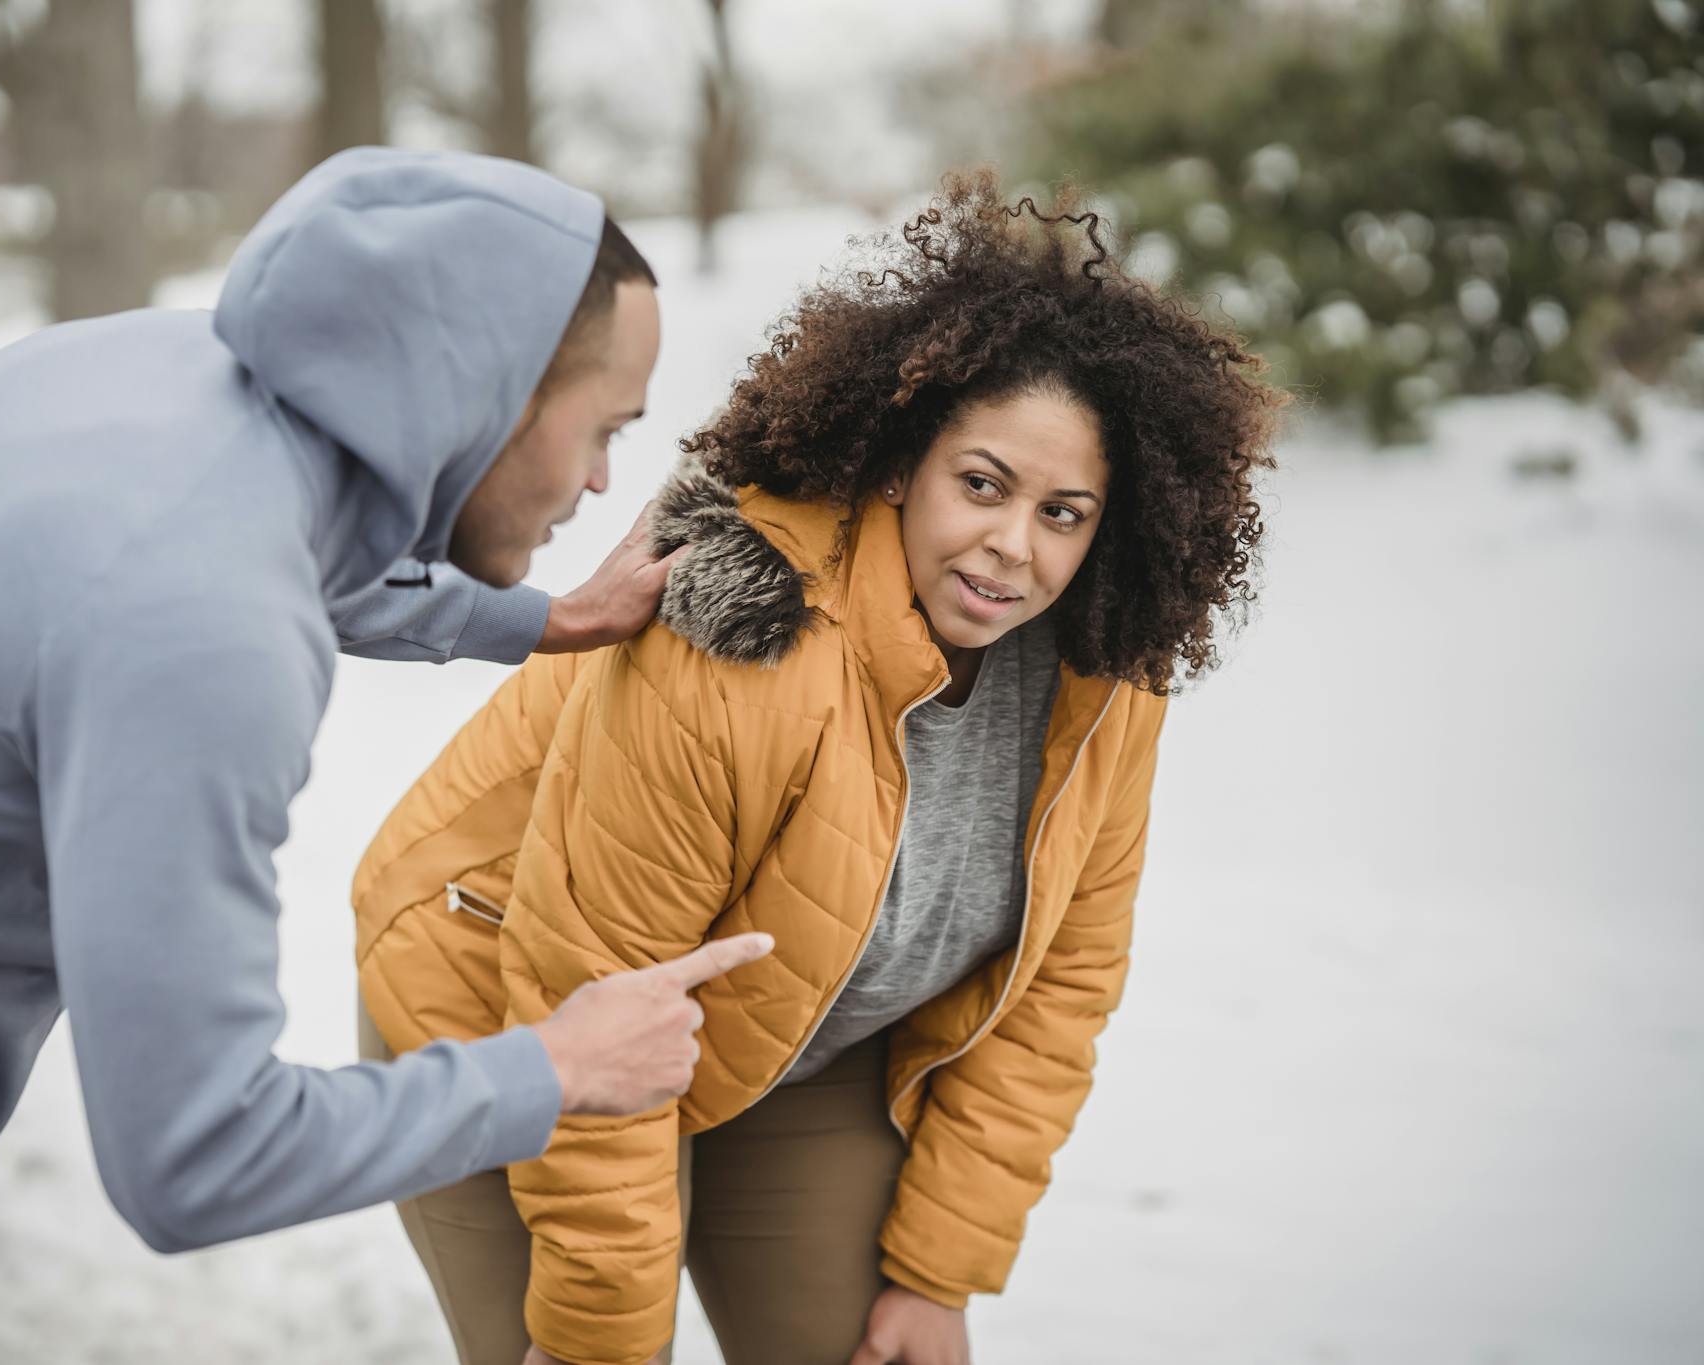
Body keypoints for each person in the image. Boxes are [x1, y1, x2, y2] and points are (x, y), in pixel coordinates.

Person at [0, 147, 770, 1363]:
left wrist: (528, 619)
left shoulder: (153, 371)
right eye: (601, 429)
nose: (605, 480)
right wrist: (554, 1068)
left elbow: (270, 531)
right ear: (485, 393)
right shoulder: (203, 634)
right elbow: (195, 1155)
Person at [350, 171, 1287, 1365]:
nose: (1012, 545)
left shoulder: (1104, 687)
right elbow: (586, 968)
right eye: (982, 485)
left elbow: (1053, 996)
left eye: (1063, 512)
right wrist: (597, 1341)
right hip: (505, 995)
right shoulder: (744, 635)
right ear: (902, 462)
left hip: (790, 1050)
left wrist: (935, 1275)